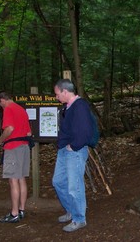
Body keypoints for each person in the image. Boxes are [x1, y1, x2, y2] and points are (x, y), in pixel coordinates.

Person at [53, 78, 93, 232]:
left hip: (74, 151)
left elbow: (85, 131)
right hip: (64, 150)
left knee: (74, 186)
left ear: (65, 91)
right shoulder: (67, 107)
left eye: (57, 94)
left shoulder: (80, 106)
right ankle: (72, 210)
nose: (56, 97)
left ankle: (79, 218)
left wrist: (74, 145)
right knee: (58, 182)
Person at [0, 91, 32, 223]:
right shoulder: (21, 109)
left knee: (13, 180)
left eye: (0, 104)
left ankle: (14, 213)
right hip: (24, 147)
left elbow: (9, 128)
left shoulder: (9, 108)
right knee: (21, 179)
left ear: (2, 100)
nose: (1, 107)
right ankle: (21, 210)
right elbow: (28, 132)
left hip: (13, 148)